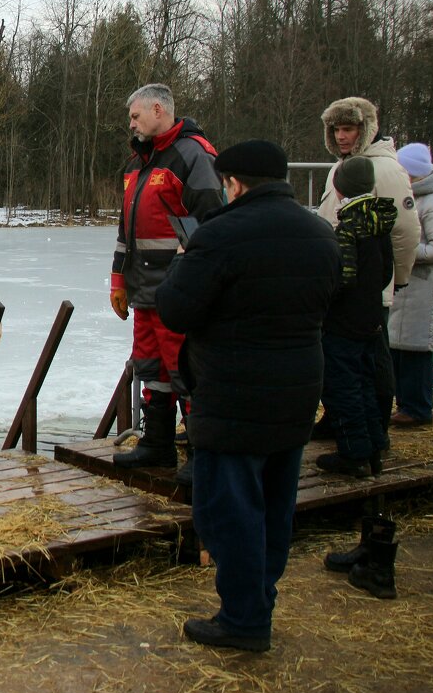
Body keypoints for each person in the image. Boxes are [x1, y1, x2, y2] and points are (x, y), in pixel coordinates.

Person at [155, 140, 340, 652]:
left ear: (233, 183)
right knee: (276, 506)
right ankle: (259, 601)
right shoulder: (320, 233)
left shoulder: (219, 236)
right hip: (299, 389)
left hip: (234, 395)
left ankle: (243, 618)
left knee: (228, 510)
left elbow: (175, 309)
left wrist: (183, 260)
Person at [110, 83, 223, 482]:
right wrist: (117, 280)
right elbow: (126, 229)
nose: (131, 123)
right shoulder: (136, 164)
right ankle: (156, 444)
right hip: (143, 290)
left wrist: (191, 279)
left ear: (158, 110)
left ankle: (200, 452)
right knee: (151, 366)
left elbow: (211, 223)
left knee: (185, 369)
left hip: (178, 292)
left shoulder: (193, 156)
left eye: (136, 116)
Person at [313, 97, 420, 443]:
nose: (342, 136)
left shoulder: (385, 169)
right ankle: (339, 418)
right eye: (336, 129)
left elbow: (404, 230)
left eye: (348, 128)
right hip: (340, 281)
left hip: (367, 286)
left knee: (372, 361)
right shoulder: (343, 166)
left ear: (366, 129)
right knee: (338, 359)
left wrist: (393, 281)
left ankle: (375, 428)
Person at [315, 157, 395, 477]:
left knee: (341, 385)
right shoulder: (379, 224)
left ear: (339, 186)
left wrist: (323, 295)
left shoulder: (349, 226)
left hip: (344, 322)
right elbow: (387, 271)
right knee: (364, 382)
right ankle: (374, 444)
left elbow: (343, 277)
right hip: (370, 316)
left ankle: (353, 452)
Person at [388, 143, 433, 427]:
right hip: (411, 284)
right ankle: (407, 404)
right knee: (401, 344)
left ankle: (418, 407)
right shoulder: (412, 198)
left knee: (416, 347)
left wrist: (403, 251)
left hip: (426, 284)